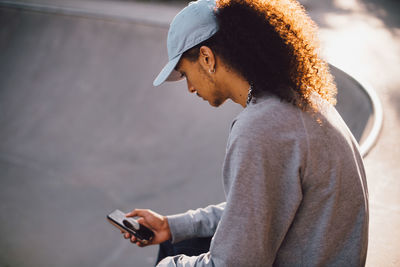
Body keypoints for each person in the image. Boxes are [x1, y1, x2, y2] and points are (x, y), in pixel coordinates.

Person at [121, 0, 369, 266]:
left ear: (206, 58)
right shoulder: (302, 100)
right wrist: (173, 226)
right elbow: (256, 210)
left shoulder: (261, 127)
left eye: (185, 74)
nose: (190, 88)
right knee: (181, 240)